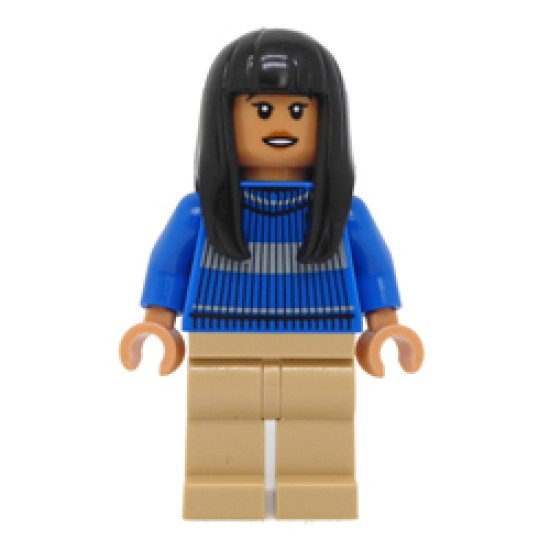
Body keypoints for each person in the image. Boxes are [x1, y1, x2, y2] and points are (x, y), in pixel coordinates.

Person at [120, 28, 423, 520]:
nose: (281, 124)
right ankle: (220, 489)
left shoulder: (344, 214)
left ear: (327, 119)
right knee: (219, 415)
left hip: (321, 334)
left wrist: (384, 328)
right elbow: (168, 266)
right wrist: (158, 325)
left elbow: (374, 271)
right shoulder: (200, 213)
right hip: (222, 334)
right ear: (225, 119)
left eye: (298, 110)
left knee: (322, 416)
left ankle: (319, 490)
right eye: (262, 109)